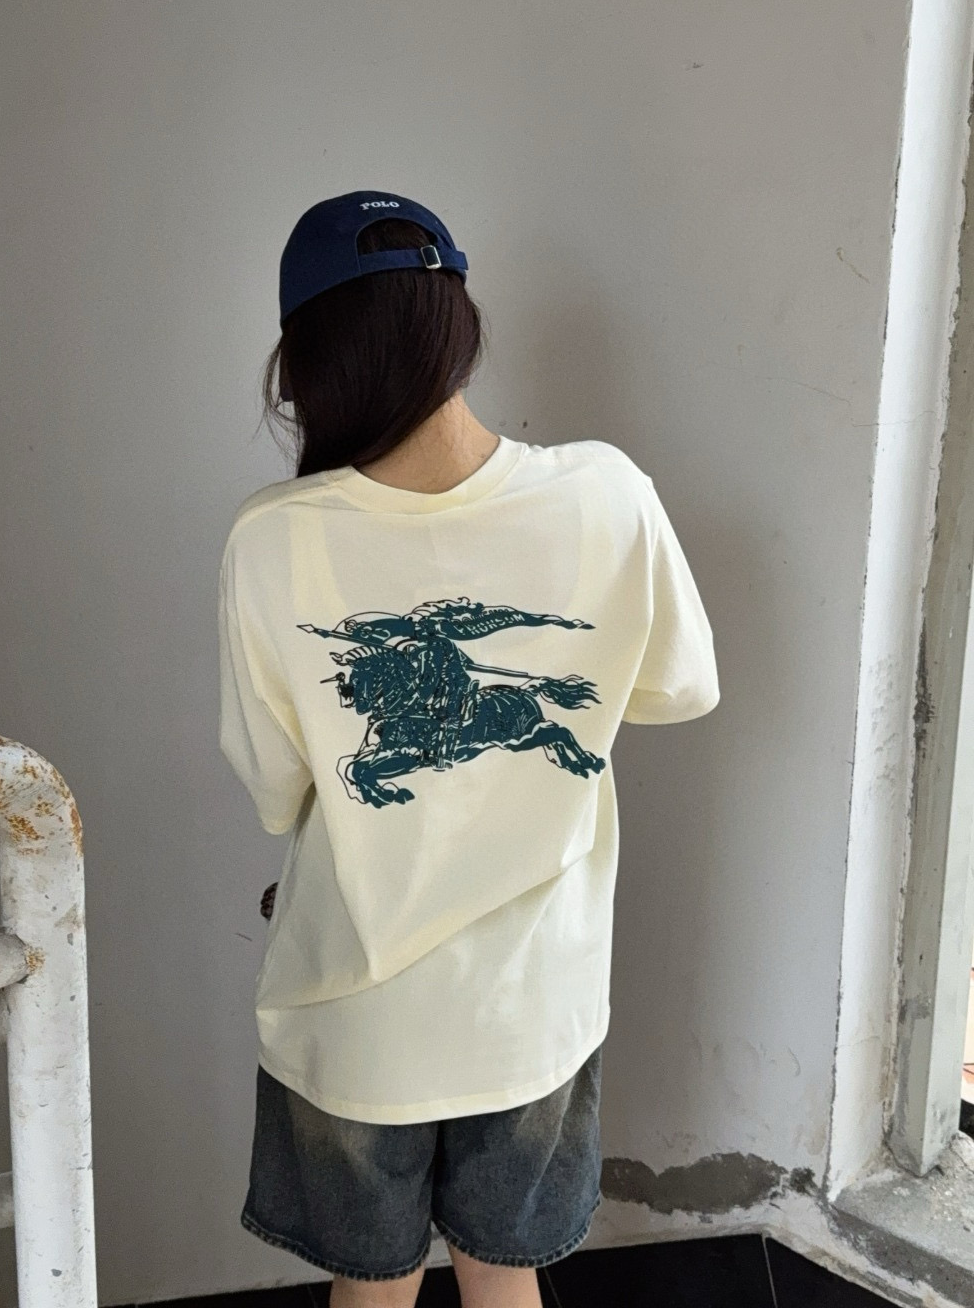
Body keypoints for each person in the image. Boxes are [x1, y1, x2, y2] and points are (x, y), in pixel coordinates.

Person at [218, 190, 721, 1308]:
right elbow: (680, 687)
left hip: (358, 1015)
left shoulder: (274, 540)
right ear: (457, 323)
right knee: (505, 1285)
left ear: (305, 365)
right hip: (532, 1005)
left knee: (372, 1292)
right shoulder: (606, 493)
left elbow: (276, 785)